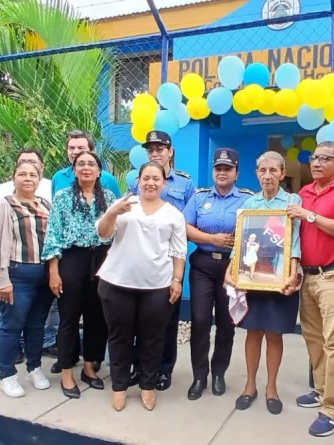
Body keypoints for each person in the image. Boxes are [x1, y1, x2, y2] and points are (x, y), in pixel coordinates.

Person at [287, 141, 334, 437]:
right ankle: (320, 391)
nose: (316, 163)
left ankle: (333, 409)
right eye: (314, 158)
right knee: (314, 339)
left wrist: (309, 216)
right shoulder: (305, 192)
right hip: (306, 276)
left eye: (324, 158)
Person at [96, 161, 187, 412]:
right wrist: (113, 211)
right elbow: (103, 233)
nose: (150, 183)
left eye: (156, 178)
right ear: (138, 180)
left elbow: (179, 251)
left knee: (153, 339)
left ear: (164, 183)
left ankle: (148, 386)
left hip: (157, 286)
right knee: (119, 337)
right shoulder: (125, 205)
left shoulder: (173, 214)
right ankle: (119, 387)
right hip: (117, 283)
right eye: (146, 178)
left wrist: (177, 280)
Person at [224, 151, 301, 416]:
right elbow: (240, 242)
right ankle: (249, 386)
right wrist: (230, 270)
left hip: (279, 278)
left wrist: (293, 272)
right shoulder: (248, 205)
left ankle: (271, 388)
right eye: (262, 170)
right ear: (256, 173)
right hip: (253, 277)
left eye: (272, 171)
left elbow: (295, 241)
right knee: (253, 331)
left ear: (282, 174)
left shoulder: (292, 201)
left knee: (274, 333)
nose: (267, 175)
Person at [42, 151, 115, 399]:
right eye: (80, 164)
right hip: (72, 260)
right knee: (69, 319)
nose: (86, 167)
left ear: (99, 171)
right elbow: (52, 236)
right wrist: (54, 271)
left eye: (91, 164)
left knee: (97, 318)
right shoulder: (62, 198)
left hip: (101, 260)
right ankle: (66, 373)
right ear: (74, 170)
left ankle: (89, 368)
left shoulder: (109, 197)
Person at [182, 148, 252, 400]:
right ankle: (199, 376)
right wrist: (212, 238)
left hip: (232, 268)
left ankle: (219, 372)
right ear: (213, 171)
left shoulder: (246, 199)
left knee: (227, 323)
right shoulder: (199, 198)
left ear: (236, 173)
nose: (222, 173)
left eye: (227, 169)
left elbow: (256, 227)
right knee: (200, 321)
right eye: (218, 168)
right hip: (202, 265)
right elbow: (185, 227)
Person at [129, 130, 195, 391]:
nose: (155, 152)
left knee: (167, 319)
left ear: (170, 152)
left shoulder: (185, 184)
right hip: (141, 259)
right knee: (138, 317)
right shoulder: (137, 182)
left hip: (171, 259)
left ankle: (163, 369)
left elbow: (188, 223)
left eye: (160, 148)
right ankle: (138, 366)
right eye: (150, 149)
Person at [0, 149, 52, 365]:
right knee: (12, 325)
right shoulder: (2, 206)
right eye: (22, 174)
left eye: (32, 175)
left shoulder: (46, 205)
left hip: (43, 276)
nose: (28, 179)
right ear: (13, 178)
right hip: (16, 275)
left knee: (36, 326)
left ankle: (34, 368)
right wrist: (2, 280)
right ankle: (7, 373)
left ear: (39, 179)